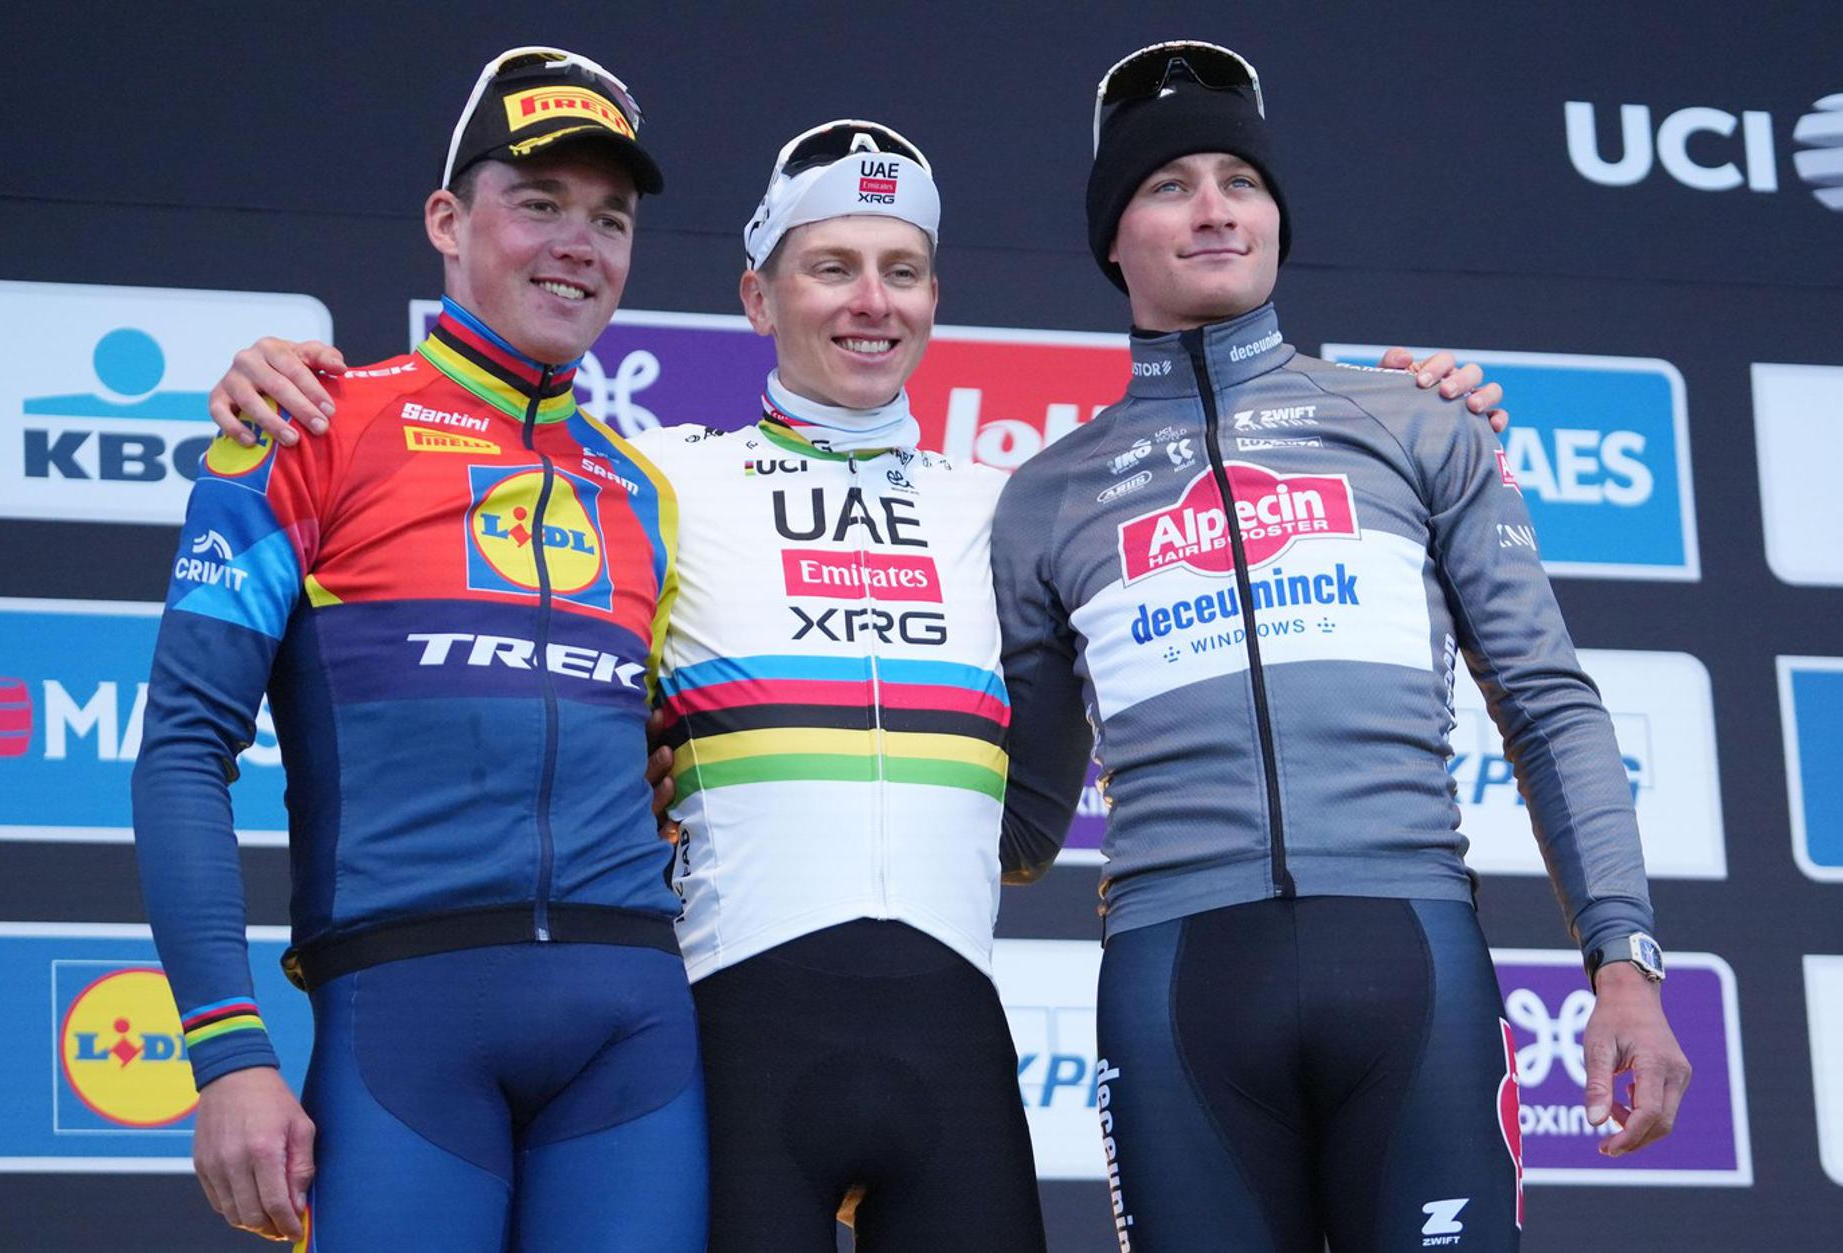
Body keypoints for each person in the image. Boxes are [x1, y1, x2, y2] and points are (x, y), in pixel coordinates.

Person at [207, 122, 1506, 1253]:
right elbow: (519, 590)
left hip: (952, 1046)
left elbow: (1047, 793)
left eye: (901, 270)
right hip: (729, 1036)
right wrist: (277, 377)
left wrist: (1416, 406)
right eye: (830, 267)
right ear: (756, 296)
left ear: (936, 296)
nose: (870, 302)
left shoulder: (1011, 506)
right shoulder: (653, 477)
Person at [992, 41, 1692, 1252]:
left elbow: (1547, 704)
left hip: (1408, 958)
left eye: (1239, 180)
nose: (1214, 209)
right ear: (1111, 237)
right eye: (1167, 185)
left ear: (1275, 214)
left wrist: (1621, 962)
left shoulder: (1415, 420)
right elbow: (1016, 825)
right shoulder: (1045, 497)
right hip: (1175, 983)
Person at [131, 47, 706, 1249]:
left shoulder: (645, 489)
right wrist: (228, 1052)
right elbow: (183, 748)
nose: (578, 244)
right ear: (447, 220)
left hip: (634, 1026)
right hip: (404, 1012)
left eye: (609, 219)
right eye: (539, 203)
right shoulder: (305, 424)